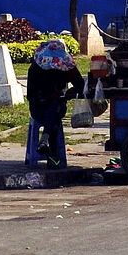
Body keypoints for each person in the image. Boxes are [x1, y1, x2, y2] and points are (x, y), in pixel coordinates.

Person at [24, 39, 83, 169]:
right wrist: (47, 97)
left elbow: (80, 84)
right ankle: (52, 152)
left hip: (57, 106)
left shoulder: (67, 68)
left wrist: (71, 91)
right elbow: (31, 95)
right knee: (54, 115)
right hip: (38, 107)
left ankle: (46, 143)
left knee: (55, 108)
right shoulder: (35, 68)